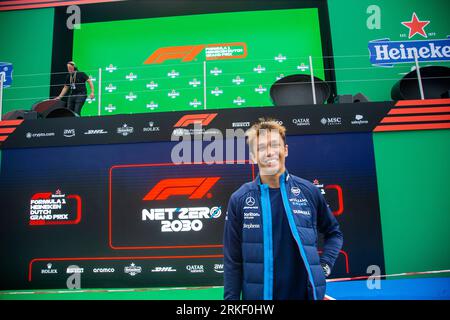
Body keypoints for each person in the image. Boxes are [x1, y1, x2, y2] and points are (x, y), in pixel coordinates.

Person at [223, 118, 343, 300]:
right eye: (261, 147)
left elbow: (334, 233)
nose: (269, 152)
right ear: (254, 156)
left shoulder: (308, 191)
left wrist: (324, 266)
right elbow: (232, 261)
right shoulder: (240, 199)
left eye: (274, 145)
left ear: (285, 150)